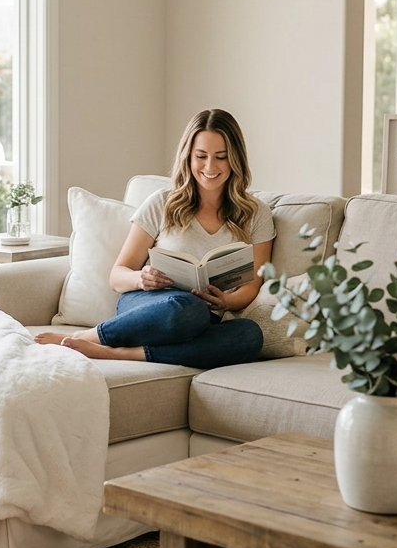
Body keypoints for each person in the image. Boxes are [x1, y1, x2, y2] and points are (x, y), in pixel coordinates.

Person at [35, 109, 274, 369]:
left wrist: (227, 301)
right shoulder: (162, 202)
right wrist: (141, 277)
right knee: (187, 308)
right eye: (201, 156)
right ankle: (89, 336)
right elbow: (117, 276)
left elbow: (252, 286)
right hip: (148, 306)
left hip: (203, 318)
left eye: (221, 157)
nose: (209, 167)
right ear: (188, 157)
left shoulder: (256, 213)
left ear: (235, 159)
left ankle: (120, 353)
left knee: (249, 335)